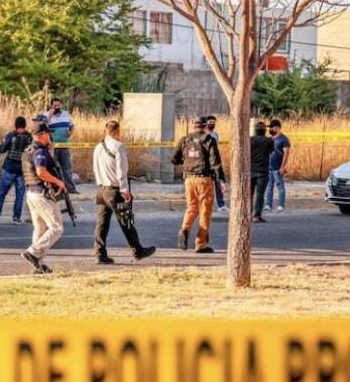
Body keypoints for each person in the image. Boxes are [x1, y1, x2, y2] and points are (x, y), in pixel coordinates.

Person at [92, 120, 156, 264]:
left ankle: (99, 253)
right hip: (114, 190)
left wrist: (100, 182)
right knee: (126, 221)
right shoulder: (118, 146)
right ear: (117, 131)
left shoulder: (98, 147)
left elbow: (95, 168)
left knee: (101, 224)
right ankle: (137, 250)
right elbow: (121, 171)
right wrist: (124, 189)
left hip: (101, 189)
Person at [171, 117, 225, 253]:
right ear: (205, 126)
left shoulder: (185, 139)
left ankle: (184, 229)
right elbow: (215, 162)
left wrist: (187, 161)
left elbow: (174, 159)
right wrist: (222, 180)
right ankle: (201, 244)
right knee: (205, 211)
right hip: (204, 179)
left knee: (192, 207)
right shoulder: (209, 140)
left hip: (188, 179)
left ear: (193, 126)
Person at [20, 120, 67, 273]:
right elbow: (41, 172)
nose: (50, 137)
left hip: (31, 193)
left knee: (40, 229)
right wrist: (58, 181)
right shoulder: (39, 151)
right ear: (43, 135)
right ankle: (33, 253)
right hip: (41, 193)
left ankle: (38, 265)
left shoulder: (28, 150)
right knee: (57, 227)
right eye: (48, 134)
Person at [0, 116, 32, 224]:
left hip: (9, 168)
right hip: (22, 170)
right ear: (25, 125)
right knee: (20, 195)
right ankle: (16, 218)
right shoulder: (29, 137)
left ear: (15, 125)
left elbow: (1, 149)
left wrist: (5, 141)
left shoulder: (11, 135)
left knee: (2, 193)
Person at [45, 97, 77, 194]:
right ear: (51, 105)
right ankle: (54, 190)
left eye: (58, 105)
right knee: (52, 169)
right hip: (52, 147)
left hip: (64, 146)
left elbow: (72, 126)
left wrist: (70, 133)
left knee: (67, 168)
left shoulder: (66, 114)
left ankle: (71, 189)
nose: (57, 107)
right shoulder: (46, 115)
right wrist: (49, 116)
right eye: (55, 105)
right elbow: (42, 127)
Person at [264, 119, 292, 212]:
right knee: (269, 186)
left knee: (280, 186)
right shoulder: (270, 139)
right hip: (269, 167)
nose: (270, 129)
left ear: (277, 128)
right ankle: (268, 204)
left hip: (278, 167)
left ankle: (280, 205)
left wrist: (282, 166)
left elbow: (286, 153)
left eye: (272, 127)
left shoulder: (284, 139)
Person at [250, 121, 275, 223]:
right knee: (260, 194)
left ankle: (247, 213)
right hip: (262, 171)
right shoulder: (268, 141)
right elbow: (271, 151)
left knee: (249, 194)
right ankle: (256, 215)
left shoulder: (250, 140)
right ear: (265, 130)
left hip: (250, 170)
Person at [205, 116, 227, 211]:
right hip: (205, 163)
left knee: (218, 182)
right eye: (210, 121)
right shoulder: (202, 134)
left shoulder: (215, 134)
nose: (212, 123)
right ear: (206, 123)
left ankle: (221, 205)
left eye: (214, 122)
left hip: (214, 162)